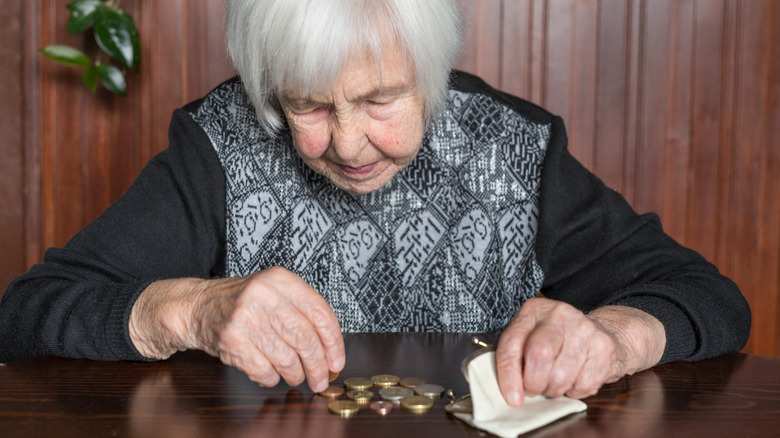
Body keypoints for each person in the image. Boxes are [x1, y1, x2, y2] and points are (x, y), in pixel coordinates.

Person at [0, 0, 749, 407]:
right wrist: (188, 310)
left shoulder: (514, 147)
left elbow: (708, 297)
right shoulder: (215, 147)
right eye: (309, 107)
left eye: (382, 99)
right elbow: (26, 314)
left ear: (430, 76)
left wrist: (613, 337)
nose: (351, 145)